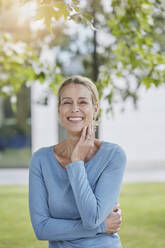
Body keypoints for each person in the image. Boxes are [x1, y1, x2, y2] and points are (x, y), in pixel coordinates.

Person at [29, 75, 127, 248]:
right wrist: (102, 226)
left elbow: (91, 218)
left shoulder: (113, 155)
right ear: (59, 109)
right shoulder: (41, 160)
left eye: (82, 102)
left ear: (95, 109)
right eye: (67, 102)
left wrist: (76, 163)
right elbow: (42, 228)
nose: (74, 109)